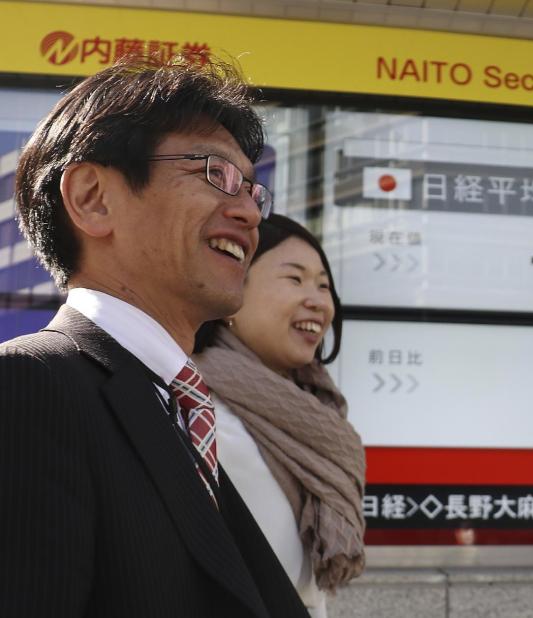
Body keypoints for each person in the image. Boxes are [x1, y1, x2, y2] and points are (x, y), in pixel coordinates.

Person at [0, 55, 310, 617]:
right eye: (215, 173)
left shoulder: (177, 403)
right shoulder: (26, 386)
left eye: (253, 191)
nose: (248, 213)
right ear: (94, 198)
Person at [194, 214, 366, 618]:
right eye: (295, 279)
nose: (319, 301)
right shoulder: (198, 415)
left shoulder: (316, 416)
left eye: (324, 285)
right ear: (231, 290)